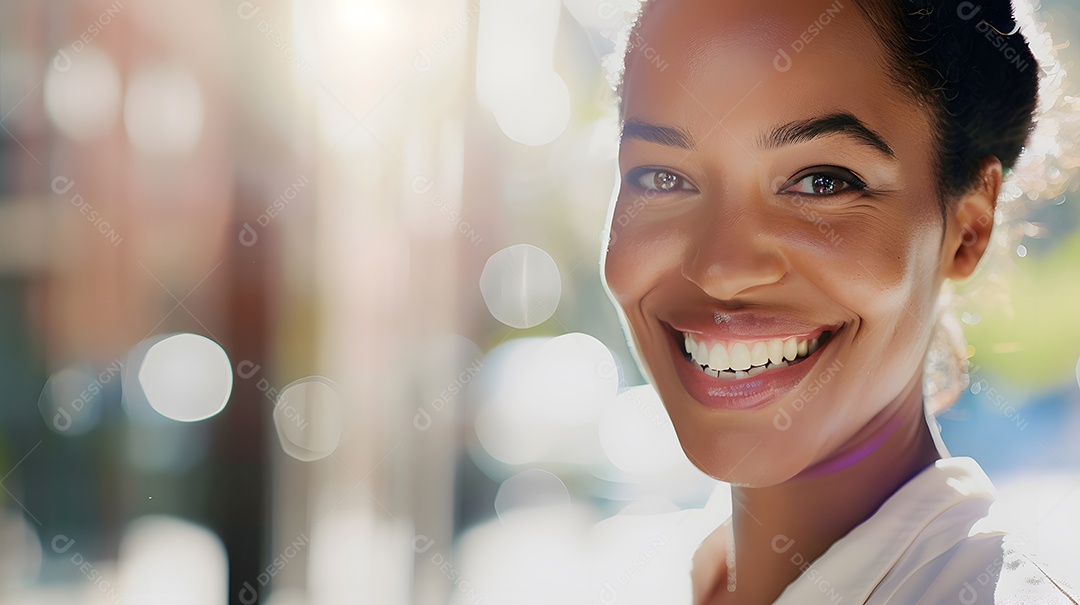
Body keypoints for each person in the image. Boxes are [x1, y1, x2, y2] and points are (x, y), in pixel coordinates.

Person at [599, 0, 1079, 602]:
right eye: (662, 178)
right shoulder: (653, 574)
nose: (720, 271)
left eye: (821, 181)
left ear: (968, 227)